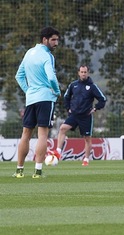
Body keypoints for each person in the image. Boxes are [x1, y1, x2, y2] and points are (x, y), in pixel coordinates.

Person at [13, 26, 61, 178]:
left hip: (31, 99)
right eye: (53, 40)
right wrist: (57, 91)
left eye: (57, 40)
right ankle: (37, 171)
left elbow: (18, 76)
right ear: (44, 39)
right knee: (42, 135)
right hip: (45, 98)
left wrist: (28, 90)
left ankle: (19, 171)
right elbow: (52, 78)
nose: (56, 43)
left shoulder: (28, 53)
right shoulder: (47, 56)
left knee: (26, 134)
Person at [49, 65, 106, 166]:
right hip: (74, 115)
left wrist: (95, 108)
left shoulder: (92, 87)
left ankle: (86, 159)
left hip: (86, 116)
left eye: (85, 72)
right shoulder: (73, 85)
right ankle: (58, 152)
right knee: (62, 128)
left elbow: (102, 99)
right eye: (82, 72)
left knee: (87, 138)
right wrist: (68, 108)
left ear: (88, 73)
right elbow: (66, 97)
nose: (83, 74)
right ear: (78, 73)